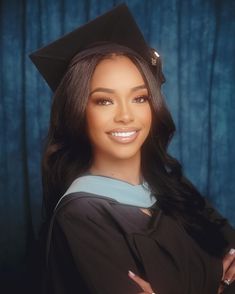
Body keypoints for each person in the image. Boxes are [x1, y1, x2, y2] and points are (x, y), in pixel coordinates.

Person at [29, 3, 235, 294]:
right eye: (104, 100)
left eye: (139, 98)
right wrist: (217, 283)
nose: (126, 115)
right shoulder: (81, 217)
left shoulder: (171, 186)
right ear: (77, 111)